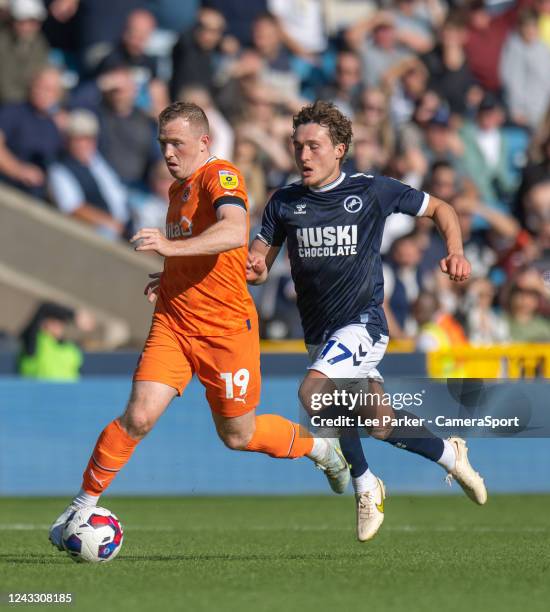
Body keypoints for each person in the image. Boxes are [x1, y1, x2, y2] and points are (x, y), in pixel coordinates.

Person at [48, 101, 349, 550]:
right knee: (139, 414)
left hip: (225, 330)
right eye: (163, 143)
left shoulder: (220, 176)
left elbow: (232, 231)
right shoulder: (179, 188)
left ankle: (321, 449)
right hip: (174, 321)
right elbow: (201, 251)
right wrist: (170, 275)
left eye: (177, 143)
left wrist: (170, 248)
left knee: (237, 435)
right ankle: (82, 505)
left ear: (204, 142)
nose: (168, 152)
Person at [247, 101, 487, 542]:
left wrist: (455, 251)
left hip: (364, 324)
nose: (303, 156)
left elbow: (442, 209)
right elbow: (261, 257)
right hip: (320, 335)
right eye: (297, 146)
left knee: (312, 393)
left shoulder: (371, 190)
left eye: (314, 146)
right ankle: (450, 454)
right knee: (376, 419)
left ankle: (365, 484)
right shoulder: (284, 202)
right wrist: (257, 267)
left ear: (339, 149)